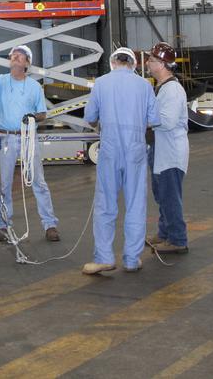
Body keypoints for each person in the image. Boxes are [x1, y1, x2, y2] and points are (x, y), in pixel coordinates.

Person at [81, 47, 160, 275]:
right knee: (136, 203)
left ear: (113, 62)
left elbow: (90, 118)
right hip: (135, 149)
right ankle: (132, 259)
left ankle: (104, 257)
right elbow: (154, 120)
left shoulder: (102, 83)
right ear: (133, 64)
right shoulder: (144, 85)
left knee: (106, 203)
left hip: (110, 149)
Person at [0, 44, 60, 243]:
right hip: (5, 138)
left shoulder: (34, 87)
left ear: (27, 63)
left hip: (27, 138)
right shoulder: (0, 81)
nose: (14, 57)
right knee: (4, 185)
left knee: (39, 182)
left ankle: (50, 224)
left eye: (19, 55)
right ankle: (3, 225)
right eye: (13, 55)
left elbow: (42, 113)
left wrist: (33, 117)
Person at [146, 41, 189, 255]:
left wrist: (143, 118)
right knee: (161, 194)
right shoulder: (161, 87)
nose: (148, 63)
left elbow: (167, 121)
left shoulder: (171, 90)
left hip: (170, 153)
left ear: (162, 64)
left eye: (152, 60)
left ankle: (177, 239)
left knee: (170, 195)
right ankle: (164, 233)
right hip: (160, 149)